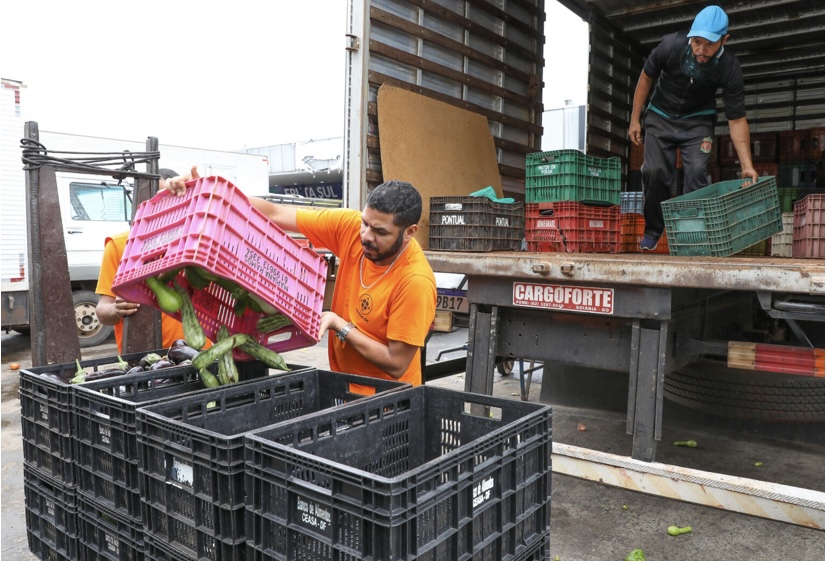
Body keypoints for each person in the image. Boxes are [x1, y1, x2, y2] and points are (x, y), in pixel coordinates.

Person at [168, 171, 437, 386]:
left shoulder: (414, 282)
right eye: (365, 223)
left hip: (390, 404)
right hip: (343, 385)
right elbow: (274, 213)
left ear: (409, 232)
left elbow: (396, 362)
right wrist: (209, 192)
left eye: (379, 231)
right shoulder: (349, 228)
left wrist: (337, 323)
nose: (366, 235)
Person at [628, 5, 759, 251]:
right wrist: (635, 119)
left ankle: (690, 236)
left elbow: (737, 119)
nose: (701, 49)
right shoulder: (671, 45)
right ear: (691, 35)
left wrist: (747, 165)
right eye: (697, 42)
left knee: (697, 174)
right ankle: (654, 230)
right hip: (660, 116)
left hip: (698, 121)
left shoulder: (729, 67)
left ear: (724, 40)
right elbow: (646, 77)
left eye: (709, 44)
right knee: (655, 172)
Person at [96, 168, 190, 352]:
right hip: (142, 361)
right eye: (157, 200)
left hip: (196, 355)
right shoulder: (119, 245)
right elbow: (102, 310)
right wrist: (116, 309)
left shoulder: (196, 241)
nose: (163, 206)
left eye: (171, 199)